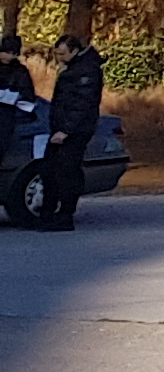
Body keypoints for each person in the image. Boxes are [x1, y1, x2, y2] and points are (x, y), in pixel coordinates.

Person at [39, 30, 103, 228]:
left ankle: (65, 215)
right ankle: (48, 212)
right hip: (61, 128)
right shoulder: (73, 69)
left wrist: (66, 130)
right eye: (57, 53)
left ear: (74, 51)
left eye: (63, 54)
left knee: (67, 172)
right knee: (50, 169)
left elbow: (82, 105)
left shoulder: (87, 71)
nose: (59, 58)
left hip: (75, 131)